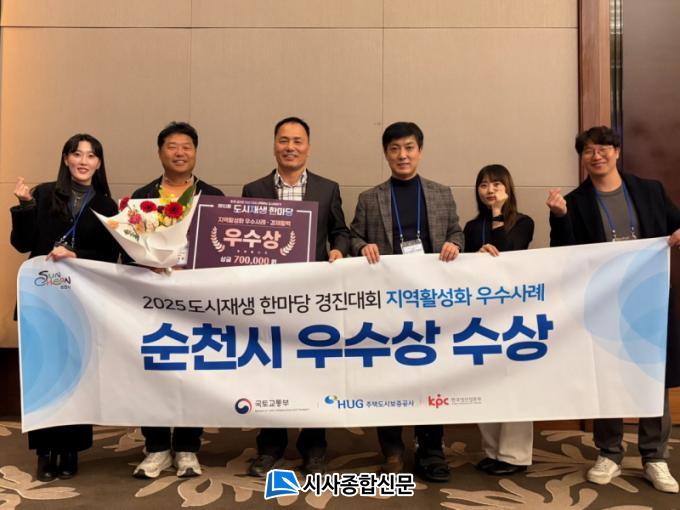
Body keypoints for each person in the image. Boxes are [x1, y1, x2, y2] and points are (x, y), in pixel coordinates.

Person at [547, 125, 680, 494]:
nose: (597, 155)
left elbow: (677, 222)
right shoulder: (574, 202)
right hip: (603, 302)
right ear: (582, 158)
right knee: (606, 375)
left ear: (617, 152)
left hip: (649, 298)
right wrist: (559, 216)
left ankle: (655, 456)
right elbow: (563, 254)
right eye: (588, 150)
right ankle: (609, 452)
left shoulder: (649, 190)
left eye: (604, 148)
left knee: (652, 376)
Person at [350, 121, 464, 483]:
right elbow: (353, 237)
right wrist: (361, 246)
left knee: (431, 373)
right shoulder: (370, 199)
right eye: (395, 148)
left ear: (420, 151)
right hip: (386, 302)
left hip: (431, 301)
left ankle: (431, 450)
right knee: (388, 374)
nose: (403, 155)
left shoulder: (441, 194)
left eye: (409, 147)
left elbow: (456, 231)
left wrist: (455, 244)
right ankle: (393, 450)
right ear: (386, 153)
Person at [242, 116, 350, 476]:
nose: (290, 147)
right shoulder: (254, 189)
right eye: (284, 140)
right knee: (271, 370)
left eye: (297, 141)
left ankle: (314, 447)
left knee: (313, 370)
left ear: (308, 147)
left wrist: (338, 249)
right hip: (269, 297)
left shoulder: (327, 188)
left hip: (312, 297)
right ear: (274, 145)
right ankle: (270, 447)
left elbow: (340, 230)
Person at [10, 133, 120, 482]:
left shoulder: (107, 206)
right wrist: (24, 207)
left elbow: (110, 257)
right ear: (66, 159)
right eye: (77, 154)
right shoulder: (44, 194)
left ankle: (70, 450)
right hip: (41, 299)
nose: (83, 161)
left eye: (91, 155)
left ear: (99, 163)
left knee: (75, 376)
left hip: (81, 302)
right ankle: (45, 452)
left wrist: (76, 254)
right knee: (43, 375)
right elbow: (22, 244)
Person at [131, 121, 224, 479]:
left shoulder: (212, 196)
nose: (180, 153)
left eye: (187, 146)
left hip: (197, 302)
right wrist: (146, 263)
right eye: (172, 146)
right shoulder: (141, 197)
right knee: (153, 372)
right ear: (160, 152)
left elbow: (223, 251)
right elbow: (126, 251)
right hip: (153, 300)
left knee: (194, 372)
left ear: (195, 152)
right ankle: (156, 447)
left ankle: (187, 447)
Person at [463, 164, 534, 476]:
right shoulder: (470, 227)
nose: (489, 190)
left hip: (514, 311)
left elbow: (511, 251)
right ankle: (493, 451)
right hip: (481, 312)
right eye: (483, 185)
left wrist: (496, 216)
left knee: (515, 381)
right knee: (487, 381)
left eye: (496, 184)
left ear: (508, 187)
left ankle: (515, 456)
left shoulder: (523, 222)